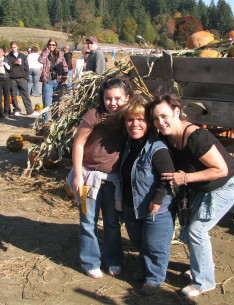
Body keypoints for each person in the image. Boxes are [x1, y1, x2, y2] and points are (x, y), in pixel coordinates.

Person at [148, 94, 234, 297]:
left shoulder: (196, 137)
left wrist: (186, 178)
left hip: (226, 183)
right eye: (155, 119)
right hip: (202, 186)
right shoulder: (167, 137)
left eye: (164, 116)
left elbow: (220, 170)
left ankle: (204, 282)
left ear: (177, 112)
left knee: (197, 230)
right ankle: (201, 267)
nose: (160, 122)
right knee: (189, 228)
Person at [67, 77, 131, 279]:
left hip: (113, 181)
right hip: (88, 178)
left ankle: (114, 259)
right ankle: (90, 261)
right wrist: (78, 175)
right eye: (108, 98)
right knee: (88, 221)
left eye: (118, 98)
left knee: (112, 222)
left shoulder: (128, 118)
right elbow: (78, 144)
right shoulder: (94, 115)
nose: (113, 103)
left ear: (127, 98)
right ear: (102, 99)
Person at [120, 96, 175, 296]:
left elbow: (167, 178)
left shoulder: (157, 148)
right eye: (130, 120)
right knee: (139, 242)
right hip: (131, 205)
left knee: (155, 244)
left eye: (141, 119)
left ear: (149, 124)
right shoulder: (126, 145)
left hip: (155, 207)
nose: (135, 124)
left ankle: (154, 279)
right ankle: (144, 267)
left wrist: (157, 200)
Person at [38, 39, 68, 122]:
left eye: (53, 45)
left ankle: (55, 121)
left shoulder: (60, 55)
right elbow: (40, 60)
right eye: (50, 45)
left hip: (57, 81)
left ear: (56, 46)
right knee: (47, 103)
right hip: (48, 81)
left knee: (56, 102)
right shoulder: (45, 54)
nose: (51, 46)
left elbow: (65, 66)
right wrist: (47, 51)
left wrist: (64, 77)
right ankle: (45, 122)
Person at [7, 41, 38, 117]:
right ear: (10, 48)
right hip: (12, 78)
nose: (13, 49)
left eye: (14, 47)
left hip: (22, 78)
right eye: (12, 47)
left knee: (25, 94)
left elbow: (26, 67)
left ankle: (29, 110)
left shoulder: (22, 56)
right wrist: (14, 63)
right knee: (14, 95)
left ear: (17, 47)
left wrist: (25, 76)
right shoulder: (8, 57)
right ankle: (16, 110)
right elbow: (7, 67)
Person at [0, 46, 12, 119]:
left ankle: (7, 112)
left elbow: (9, 69)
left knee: (7, 96)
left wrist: (4, 64)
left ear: (3, 53)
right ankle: (0, 113)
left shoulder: (7, 59)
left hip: (6, 79)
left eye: (0, 51)